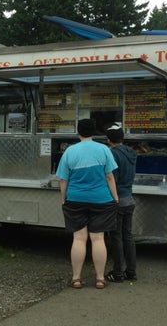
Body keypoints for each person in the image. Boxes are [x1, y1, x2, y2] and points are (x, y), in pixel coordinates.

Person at [56, 119, 119, 289]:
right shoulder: (104, 149)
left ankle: (76, 278)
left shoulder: (70, 151)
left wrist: (64, 198)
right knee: (98, 238)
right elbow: (109, 176)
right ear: (94, 132)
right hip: (101, 199)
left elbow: (63, 179)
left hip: (75, 199)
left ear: (78, 132)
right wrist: (115, 197)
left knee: (79, 238)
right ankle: (100, 279)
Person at [105, 123, 138, 282]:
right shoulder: (131, 152)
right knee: (128, 236)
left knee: (115, 237)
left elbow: (112, 178)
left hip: (117, 199)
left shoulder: (112, 154)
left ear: (108, 140)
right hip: (129, 199)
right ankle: (131, 272)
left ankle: (117, 273)